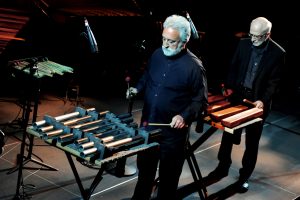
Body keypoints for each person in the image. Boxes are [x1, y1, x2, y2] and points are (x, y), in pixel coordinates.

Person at [126, 14, 208, 200]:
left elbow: (200, 101)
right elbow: (148, 77)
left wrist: (184, 117)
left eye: (171, 41)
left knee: (168, 179)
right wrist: (136, 89)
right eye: (163, 39)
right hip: (148, 126)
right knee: (145, 173)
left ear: (184, 41)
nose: (165, 44)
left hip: (171, 135)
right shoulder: (157, 54)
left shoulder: (194, 67)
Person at [203, 17, 286, 193]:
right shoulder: (243, 44)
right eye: (251, 34)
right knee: (227, 136)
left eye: (257, 36)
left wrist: (263, 100)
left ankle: (244, 177)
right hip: (238, 97)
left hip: (257, 102)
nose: (253, 39)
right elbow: (234, 67)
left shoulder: (278, 53)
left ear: (267, 35)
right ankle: (222, 166)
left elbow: (274, 82)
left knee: (252, 142)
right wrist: (229, 87)